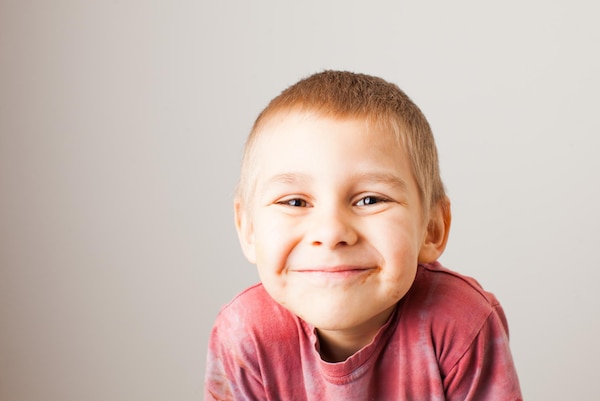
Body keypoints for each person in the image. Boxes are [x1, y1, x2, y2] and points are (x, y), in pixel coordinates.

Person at [205, 70, 523, 400]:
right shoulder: (244, 333)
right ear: (249, 229)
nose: (331, 233)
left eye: (369, 200)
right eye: (295, 201)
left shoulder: (461, 324)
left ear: (432, 228)